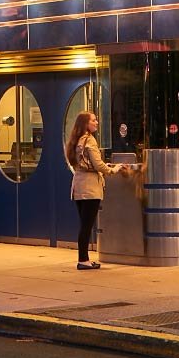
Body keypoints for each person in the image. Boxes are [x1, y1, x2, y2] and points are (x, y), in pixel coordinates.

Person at [64, 111, 125, 270]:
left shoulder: (75, 140)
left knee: (84, 224)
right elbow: (98, 165)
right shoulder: (89, 140)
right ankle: (83, 260)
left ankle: (84, 259)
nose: (97, 122)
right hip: (90, 187)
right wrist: (114, 169)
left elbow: (81, 163)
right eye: (94, 120)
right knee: (86, 225)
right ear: (86, 124)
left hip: (78, 186)